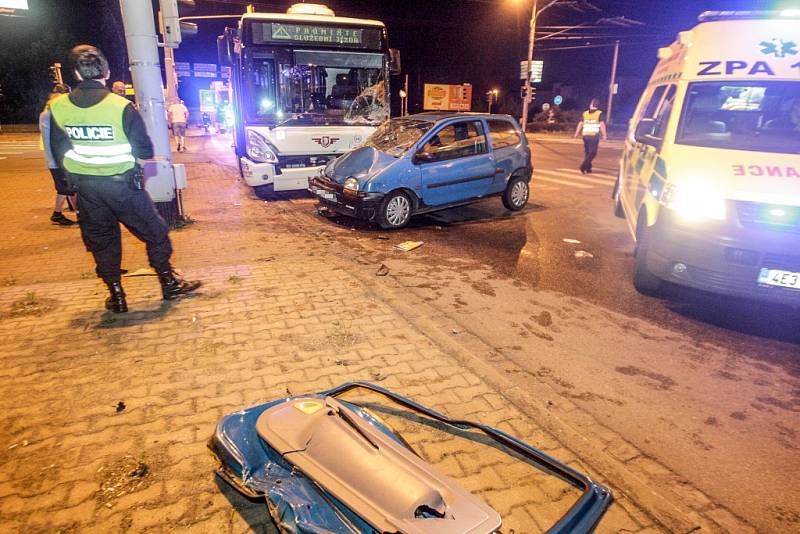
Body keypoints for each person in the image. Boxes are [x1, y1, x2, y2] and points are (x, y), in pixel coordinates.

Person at [49, 44, 200, 313]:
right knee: (155, 233)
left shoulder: (58, 108)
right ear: (105, 71)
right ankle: (168, 283)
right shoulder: (120, 106)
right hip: (124, 187)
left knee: (102, 242)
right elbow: (144, 150)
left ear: (74, 73)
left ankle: (117, 296)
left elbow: (59, 152)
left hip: (87, 191)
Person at [39, 83, 78, 226]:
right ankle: (58, 214)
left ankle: (65, 213)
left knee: (68, 187)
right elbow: (58, 138)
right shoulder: (52, 113)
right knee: (66, 187)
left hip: (55, 157)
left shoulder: (47, 111)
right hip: (58, 157)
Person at [574, 98, 608, 174]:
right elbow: (602, 124)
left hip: (585, 135)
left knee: (587, 152)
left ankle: (588, 168)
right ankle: (583, 166)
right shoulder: (599, 113)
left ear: (591, 105)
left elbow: (580, 123)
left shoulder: (585, 113)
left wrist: (576, 133)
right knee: (593, 153)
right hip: (593, 136)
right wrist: (604, 135)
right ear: (597, 106)